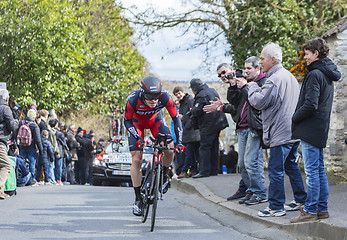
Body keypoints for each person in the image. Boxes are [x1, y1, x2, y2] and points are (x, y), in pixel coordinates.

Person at [248, 42, 307, 217]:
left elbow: (258, 102)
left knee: (275, 170)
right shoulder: (289, 76)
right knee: (291, 166)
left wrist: (251, 86)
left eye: (262, 58)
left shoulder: (274, 79)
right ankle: (300, 199)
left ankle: (275, 207)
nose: (260, 63)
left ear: (273, 60)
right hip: (292, 131)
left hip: (279, 132)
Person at [290, 38, 341, 223]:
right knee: (319, 170)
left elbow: (310, 104)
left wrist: (294, 117)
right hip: (320, 127)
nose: (305, 58)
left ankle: (310, 210)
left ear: (316, 54)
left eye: (307, 54)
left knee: (312, 171)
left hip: (310, 128)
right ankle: (322, 209)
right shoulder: (327, 74)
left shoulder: (314, 74)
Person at [205, 59, 267, 205]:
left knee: (252, 162)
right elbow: (235, 103)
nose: (223, 76)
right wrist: (232, 85)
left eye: (224, 73)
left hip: (253, 127)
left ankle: (259, 192)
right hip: (242, 127)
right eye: (220, 75)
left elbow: (254, 101)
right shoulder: (236, 82)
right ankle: (251, 190)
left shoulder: (250, 80)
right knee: (242, 163)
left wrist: (241, 84)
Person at [124, 75, 184, 216]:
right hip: (136, 124)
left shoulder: (165, 97)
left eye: (156, 96)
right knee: (137, 160)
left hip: (155, 122)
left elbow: (176, 118)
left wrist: (179, 142)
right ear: (143, 94)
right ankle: (138, 199)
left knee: (169, 151)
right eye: (150, 97)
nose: (154, 100)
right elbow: (127, 121)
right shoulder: (132, 99)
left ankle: (163, 174)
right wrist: (138, 137)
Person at [190, 78, 229, 178]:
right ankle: (213, 170)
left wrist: (192, 110)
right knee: (214, 147)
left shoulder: (201, 95)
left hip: (208, 125)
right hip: (218, 123)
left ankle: (204, 171)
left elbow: (197, 110)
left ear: (195, 88)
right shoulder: (212, 90)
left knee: (204, 147)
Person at [173, 86, 200, 178]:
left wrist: (185, 120)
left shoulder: (189, 100)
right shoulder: (182, 103)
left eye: (179, 93)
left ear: (182, 92)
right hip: (187, 131)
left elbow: (193, 114)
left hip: (191, 131)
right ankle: (193, 169)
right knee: (191, 152)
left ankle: (185, 170)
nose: (178, 96)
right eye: (176, 95)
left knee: (189, 152)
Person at [16, 109, 43, 185]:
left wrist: (16, 146)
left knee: (22, 163)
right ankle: (31, 180)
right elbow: (38, 140)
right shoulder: (34, 126)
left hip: (22, 146)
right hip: (31, 147)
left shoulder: (21, 123)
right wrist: (41, 150)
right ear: (34, 117)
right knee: (31, 163)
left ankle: (21, 178)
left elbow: (16, 134)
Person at [0, 89, 18, 199]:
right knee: (6, 166)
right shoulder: (5, 109)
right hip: (1, 141)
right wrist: (16, 121)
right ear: (7, 98)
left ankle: (1, 192)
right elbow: (12, 126)